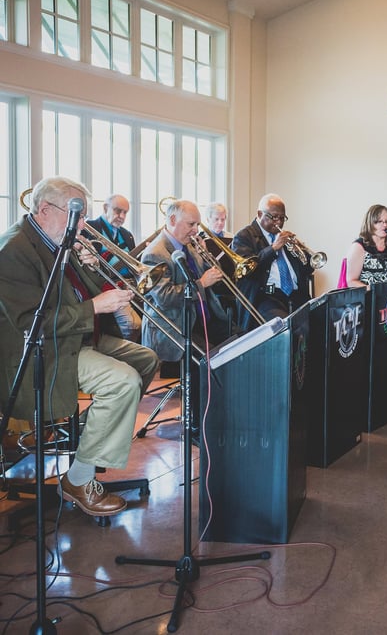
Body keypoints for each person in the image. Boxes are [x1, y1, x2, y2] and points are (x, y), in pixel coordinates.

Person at [0, 177, 158, 517]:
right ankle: (79, 478)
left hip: (77, 337)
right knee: (122, 381)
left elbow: (89, 292)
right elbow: (32, 322)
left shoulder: (58, 239)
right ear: (44, 210)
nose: (83, 225)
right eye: (78, 216)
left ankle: (94, 435)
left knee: (145, 359)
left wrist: (90, 267)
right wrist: (95, 307)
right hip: (43, 352)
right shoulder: (12, 250)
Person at [140, 199, 230, 431]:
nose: (195, 230)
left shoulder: (188, 246)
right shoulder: (154, 254)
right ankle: (197, 425)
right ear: (172, 221)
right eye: (191, 224)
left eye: (197, 224)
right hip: (172, 327)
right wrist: (202, 282)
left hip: (198, 318)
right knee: (204, 361)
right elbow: (166, 298)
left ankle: (219, 415)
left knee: (236, 344)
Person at [231, 193, 314, 328]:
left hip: (295, 296)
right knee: (286, 328)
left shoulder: (284, 238)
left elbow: (308, 269)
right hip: (265, 298)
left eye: (282, 218)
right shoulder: (244, 236)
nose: (279, 222)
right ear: (259, 214)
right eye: (274, 217)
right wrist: (273, 248)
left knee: (321, 320)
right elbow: (249, 270)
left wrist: (300, 251)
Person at [86, 193, 141, 340]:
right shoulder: (89, 227)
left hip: (128, 285)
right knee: (133, 323)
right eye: (118, 211)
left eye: (125, 212)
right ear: (105, 208)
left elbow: (135, 262)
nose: (122, 216)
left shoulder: (127, 234)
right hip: (104, 288)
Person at [345, 204, 387, 288]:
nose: (385, 225)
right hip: (368, 298)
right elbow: (351, 281)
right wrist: (374, 291)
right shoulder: (359, 247)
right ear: (370, 224)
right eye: (379, 222)